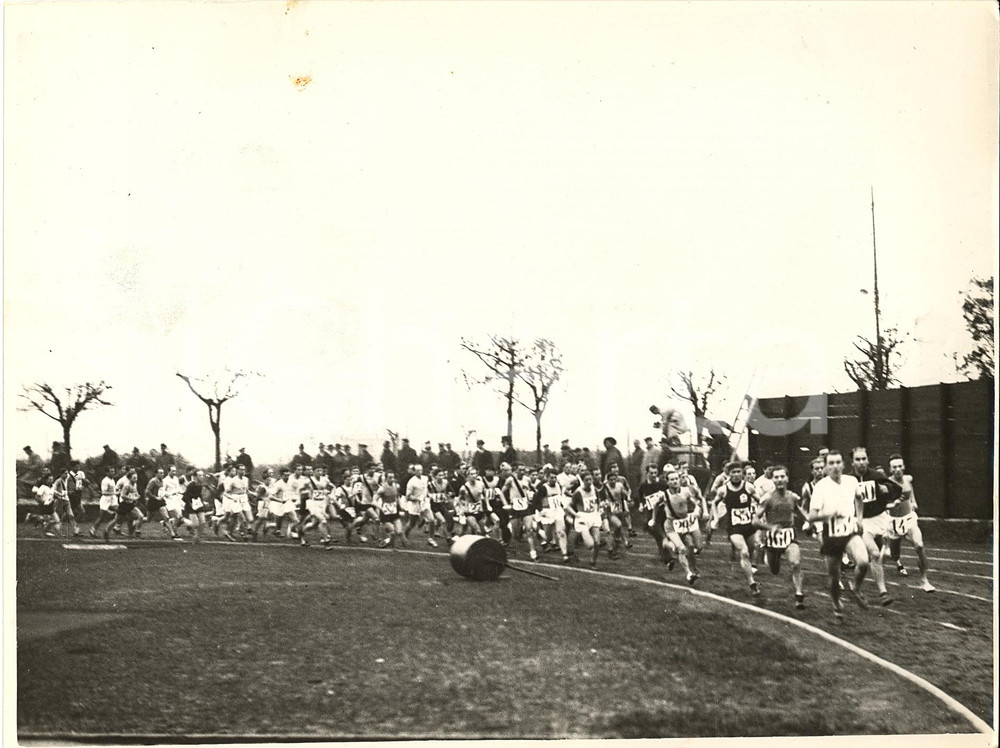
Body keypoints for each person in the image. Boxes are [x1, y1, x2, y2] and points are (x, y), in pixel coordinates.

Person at [807, 450, 871, 618]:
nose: (835, 466)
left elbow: (859, 498)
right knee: (834, 578)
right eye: (831, 463)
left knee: (863, 562)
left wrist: (859, 518)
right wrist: (829, 514)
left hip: (849, 531)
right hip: (831, 534)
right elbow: (811, 516)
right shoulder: (821, 487)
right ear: (826, 468)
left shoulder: (852, 481)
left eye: (838, 462)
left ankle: (855, 587)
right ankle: (836, 602)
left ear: (843, 464)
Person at [848, 447, 898, 606]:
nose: (861, 462)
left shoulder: (877, 476)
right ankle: (883, 592)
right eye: (857, 459)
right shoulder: (849, 480)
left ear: (868, 460)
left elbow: (897, 489)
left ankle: (855, 586)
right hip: (863, 522)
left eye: (863, 459)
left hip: (881, 520)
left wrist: (887, 490)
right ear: (852, 462)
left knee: (884, 556)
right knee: (875, 554)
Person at [753, 466, 808, 608]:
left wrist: (811, 522)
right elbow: (755, 521)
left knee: (795, 563)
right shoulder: (768, 499)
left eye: (782, 476)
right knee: (774, 570)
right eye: (776, 477)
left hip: (789, 535)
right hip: (772, 539)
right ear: (772, 480)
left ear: (787, 478)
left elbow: (801, 512)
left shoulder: (792, 497)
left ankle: (799, 595)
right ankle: (767, 554)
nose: (780, 480)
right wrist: (770, 527)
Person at [884, 454, 935, 592]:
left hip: (909, 519)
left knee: (919, 545)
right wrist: (891, 504)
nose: (898, 469)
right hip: (894, 523)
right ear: (890, 469)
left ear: (904, 466)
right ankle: (889, 551)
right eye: (894, 467)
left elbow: (910, 488)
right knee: (894, 555)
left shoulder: (908, 478)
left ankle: (924, 581)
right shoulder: (887, 484)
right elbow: (883, 504)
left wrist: (913, 500)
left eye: (900, 466)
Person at [711, 462, 760, 597]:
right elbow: (714, 504)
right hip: (734, 527)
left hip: (749, 525)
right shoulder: (723, 490)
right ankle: (752, 583)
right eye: (734, 472)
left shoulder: (749, 487)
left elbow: (760, 502)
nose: (737, 475)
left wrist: (759, 515)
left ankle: (746, 569)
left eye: (739, 472)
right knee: (744, 553)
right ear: (729, 474)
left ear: (742, 474)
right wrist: (715, 519)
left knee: (749, 552)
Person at [661, 468, 700, 585]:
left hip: (683, 524)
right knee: (682, 549)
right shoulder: (664, 495)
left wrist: (697, 510)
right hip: (671, 525)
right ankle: (689, 574)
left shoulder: (686, 491)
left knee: (691, 545)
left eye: (676, 479)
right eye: (671, 480)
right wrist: (653, 519)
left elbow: (695, 503)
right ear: (667, 482)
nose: (675, 481)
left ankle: (693, 568)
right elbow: (655, 507)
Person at [566, 470, 603, 568]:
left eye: (591, 479)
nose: (589, 482)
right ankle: (571, 550)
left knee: (597, 542)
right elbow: (568, 506)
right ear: (582, 480)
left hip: (593, 516)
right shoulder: (578, 492)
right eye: (587, 480)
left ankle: (592, 561)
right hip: (583, 518)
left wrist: (599, 509)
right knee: (590, 544)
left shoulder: (594, 489)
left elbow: (598, 502)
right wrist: (576, 514)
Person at [534, 468, 570, 563]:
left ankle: (564, 554)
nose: (553, 479)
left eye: (555, 477)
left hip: (557, 511)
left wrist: (563, 508)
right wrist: (541, 511)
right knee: (548, 537)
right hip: (547, 512)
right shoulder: (543, 488)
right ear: (547, 478)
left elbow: (560, 499)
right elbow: (536, 501)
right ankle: (539, 532)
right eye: (551, 477)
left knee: (561, 532)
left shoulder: (559, 487)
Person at [502, 463, 537, 560]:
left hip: (525, 507)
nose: (522, 472)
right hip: (515, 508)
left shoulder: (527, 479)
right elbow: (501, 492)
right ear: (516, 470)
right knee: (516, 534)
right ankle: (510, 532)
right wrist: (506, 503)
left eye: (523, 470)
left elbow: (532, 489)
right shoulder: (510, 480)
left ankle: (533, 552)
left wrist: (529, 492)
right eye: (520, 470)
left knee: (529, 530)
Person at [376, 473, 405, 548]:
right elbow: (374, 500)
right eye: (390, 477)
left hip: (394, 511)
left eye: (393, 477)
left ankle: (387, 541)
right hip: (385, 513)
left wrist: (401, 506)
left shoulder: (396, 486)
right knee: (392, 531)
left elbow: (397, 497)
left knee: (399, 531)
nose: (392, 479)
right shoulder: (382, 488)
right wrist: (380, 507)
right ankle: (393, 548)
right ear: (386, 478)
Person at [91, 466, 119, 538]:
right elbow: (103, 492)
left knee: (119, 511)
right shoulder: (105, 481)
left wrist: (116, 492)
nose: (113, 473)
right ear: (107, 473)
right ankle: (93, 529)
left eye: (113, 471)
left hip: (112, 499)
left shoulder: (112, 480)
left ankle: (116, 527)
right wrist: (114, 493)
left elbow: (113, 490)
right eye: (111, 471)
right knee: (101, 517)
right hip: (105, 500)